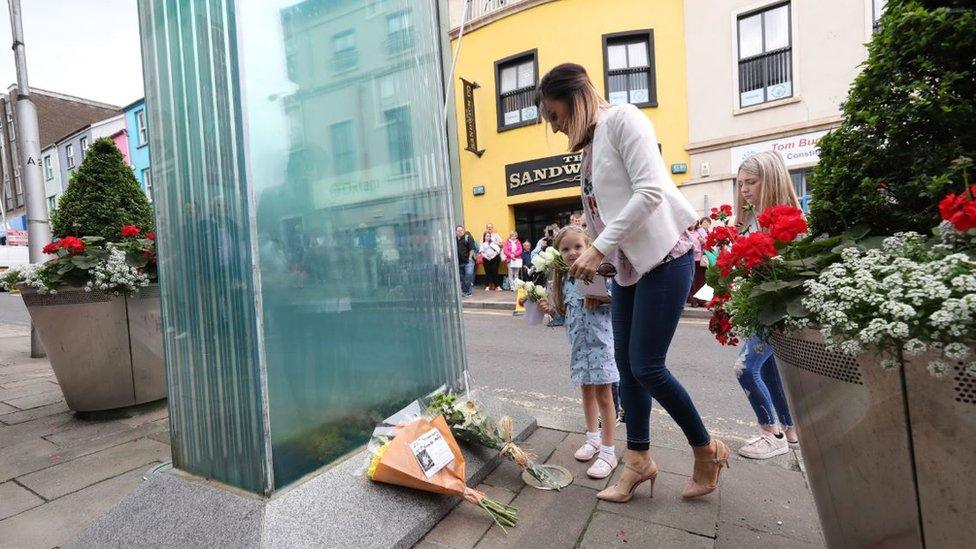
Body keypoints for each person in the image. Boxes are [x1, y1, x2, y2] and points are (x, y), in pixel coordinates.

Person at [537, 62, 728, 503]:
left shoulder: (625, 119)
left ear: (577, 95)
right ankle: (638, 461)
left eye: (556, 114)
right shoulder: (589, 149)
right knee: (627, 370)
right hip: (627, 271)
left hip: (666, 259)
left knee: (646, 366)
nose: (556, 125)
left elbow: (650, 192)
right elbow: (609, 212)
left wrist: (599, 247)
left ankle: (707, 450)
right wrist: (604, 259)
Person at [535, 226, 619, 479]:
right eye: (565, 248)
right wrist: (549, 310)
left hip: (601, 346)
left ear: (589, 246)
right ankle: (592, 438)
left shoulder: (599, 273)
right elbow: (564, 316)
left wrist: (602, 298)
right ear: (558, 253)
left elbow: (618, 301)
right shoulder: (566, 280)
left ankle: (608, 452)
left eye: (578, 247)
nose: (572, 252)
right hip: (579, 348)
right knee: (586, 392)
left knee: (605, 397)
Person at [731, 151, 800, 459]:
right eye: (741, 183)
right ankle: (789, 430)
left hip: (775, 310)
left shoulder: (784, 220)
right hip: (762, 307)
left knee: (745, 368)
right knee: (769, 369)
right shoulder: (755, 220)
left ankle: (770, 432)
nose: (744, 189)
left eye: (751, 182)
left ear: (769, 181)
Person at [687, 220, 708, 307]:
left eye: (694, 222)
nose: (692, 223)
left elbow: (707, 243)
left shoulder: (699, 232)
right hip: (690, 259)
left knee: (701, 280)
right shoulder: (686, 233)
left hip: (699, 260)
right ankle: (693, 300)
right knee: (692, 281)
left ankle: (702, 300)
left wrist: (701, 240)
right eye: (691, 221)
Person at [456, 225, 475, 297]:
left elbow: (472, 249)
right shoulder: (454, 240)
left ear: (463, 231)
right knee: (462, 278)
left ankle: (465, 291)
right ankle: (467, 291)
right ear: (456, 232)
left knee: (469, 275)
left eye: (461, 230)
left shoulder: (468, 238)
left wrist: (470, 258)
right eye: (458, 231)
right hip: (459, 262)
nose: (460, 232)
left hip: (468, 261)